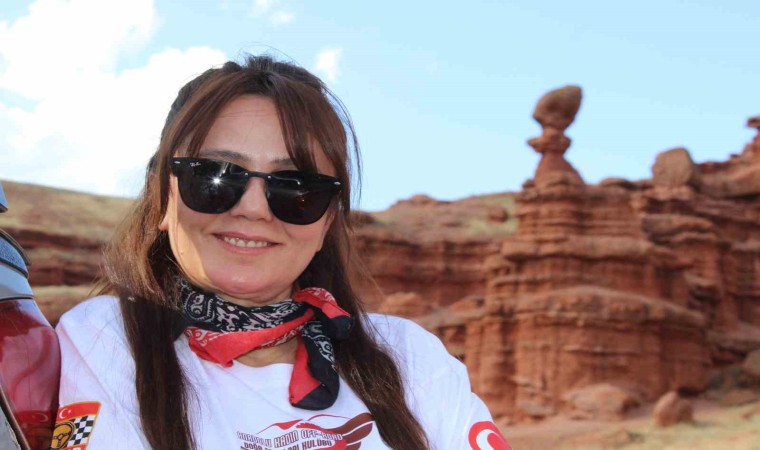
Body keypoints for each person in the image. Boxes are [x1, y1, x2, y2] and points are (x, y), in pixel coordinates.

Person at [52, 55, 511, 450]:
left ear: (327, 221)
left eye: (296, 188)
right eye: (214, 176)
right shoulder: (106, 338)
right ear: (162, 198)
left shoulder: (409, 357)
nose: (253, 208)